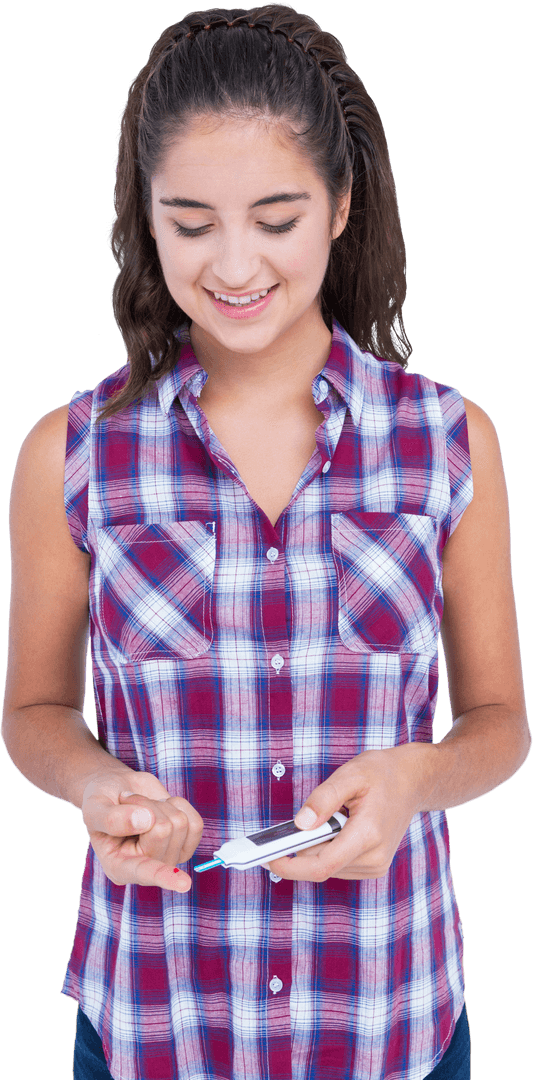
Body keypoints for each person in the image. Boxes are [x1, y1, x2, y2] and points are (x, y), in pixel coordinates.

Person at [1, 4, 530, 1078]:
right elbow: (33, 714)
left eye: (276, 218)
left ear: (340, 205)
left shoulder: (448, 440)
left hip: (391, 1020)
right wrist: (98, 787)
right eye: (191, 223)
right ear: (145, 218)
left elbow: (500, 723)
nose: (233, 265)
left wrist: (417, 776)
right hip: (156, 1025)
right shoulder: (72, 451)